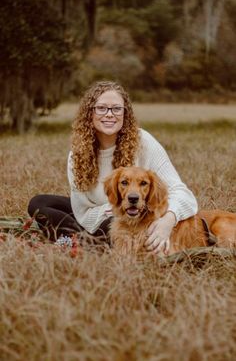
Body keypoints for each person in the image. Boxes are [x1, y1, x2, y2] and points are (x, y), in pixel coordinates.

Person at [28, 81, 198, 253]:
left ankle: (79, 243)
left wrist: (167, 221)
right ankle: (89, 242)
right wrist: (112, 209)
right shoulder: (78, 154)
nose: (109, 114)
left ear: (125, 113)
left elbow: (182, 194)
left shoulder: (144, 142)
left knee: (117, 224)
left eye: (116, 109)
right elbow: (80, 210)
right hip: (100, 216)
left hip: (133, 217)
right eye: (101, 108)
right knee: (39, 203)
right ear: (90, 113)